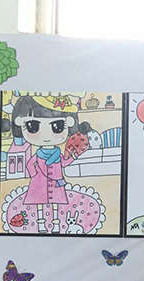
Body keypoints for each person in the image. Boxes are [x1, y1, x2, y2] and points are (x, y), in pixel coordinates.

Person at [11, 94, 86, 233]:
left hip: (56, 183)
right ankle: (41, 224)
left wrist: (74, 156)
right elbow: (29, 164)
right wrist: (34, 175)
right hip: (39, 182)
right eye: (33, 126)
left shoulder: (57, 153)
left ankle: (56, 223)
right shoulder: (38, 154)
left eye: (57, 127)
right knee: (39, 203)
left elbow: (64, 163)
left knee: (55, 203)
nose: (45, 136)